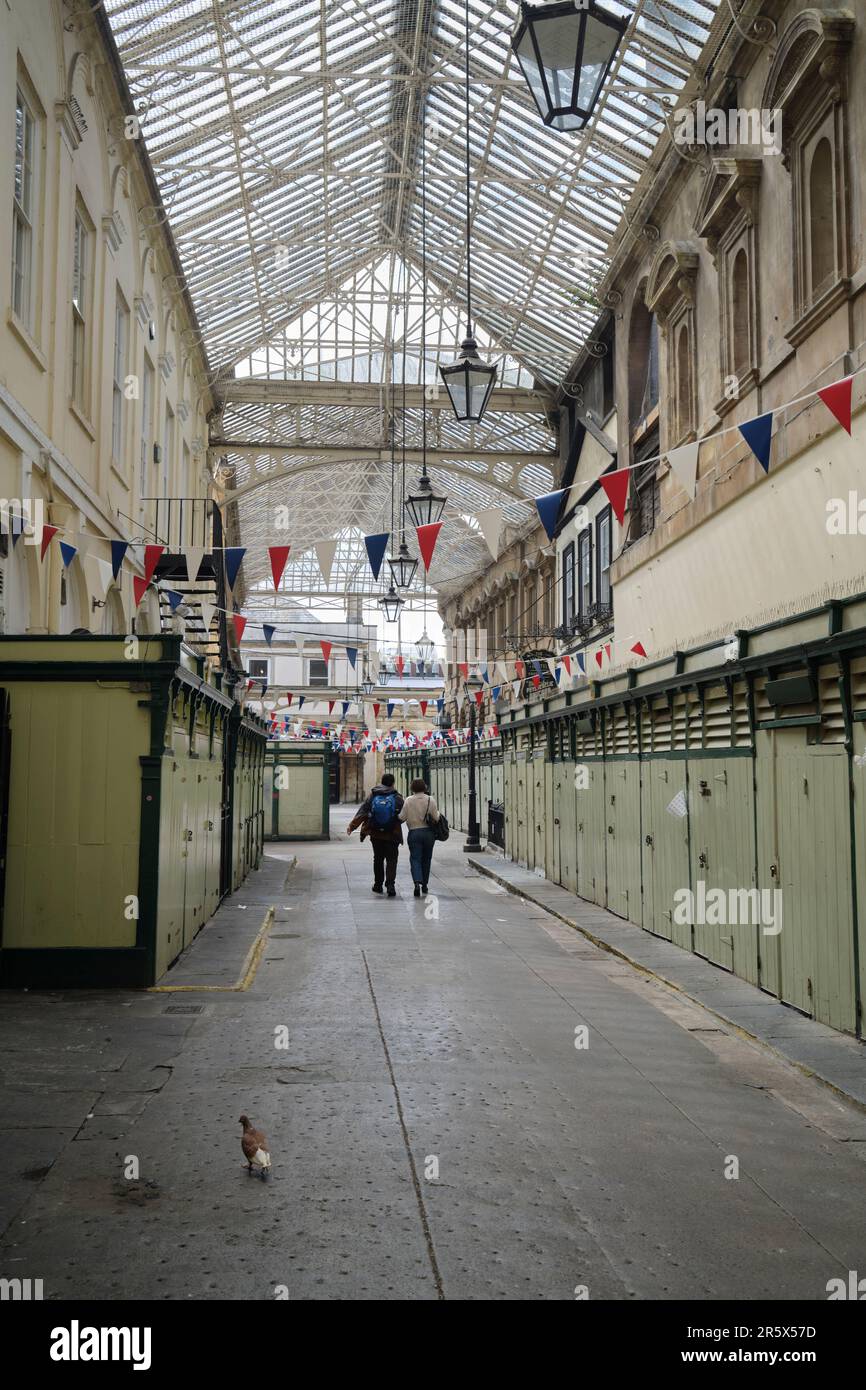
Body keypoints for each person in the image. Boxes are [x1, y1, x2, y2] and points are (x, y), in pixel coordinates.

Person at [347, 771, 404, 897]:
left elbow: (363, 811)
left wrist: (352, 826)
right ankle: (390, 885)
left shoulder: (373, 795)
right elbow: (403, 815)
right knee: (392, 860)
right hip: (392, 834)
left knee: (378, 859)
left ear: (382, 782)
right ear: (393, 783)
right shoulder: (397, 797)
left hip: (376, 833)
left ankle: (378, 885)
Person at [399, 777, 440, 897]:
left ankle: (417, 882)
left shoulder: (408, 800)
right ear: (424, 787)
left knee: (415, 858)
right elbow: (436, 818)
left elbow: (402, 817)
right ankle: (425, 885)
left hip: (414, 833)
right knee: (426, 859)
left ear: (412, 787)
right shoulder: (430, 800)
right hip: (428, 833)